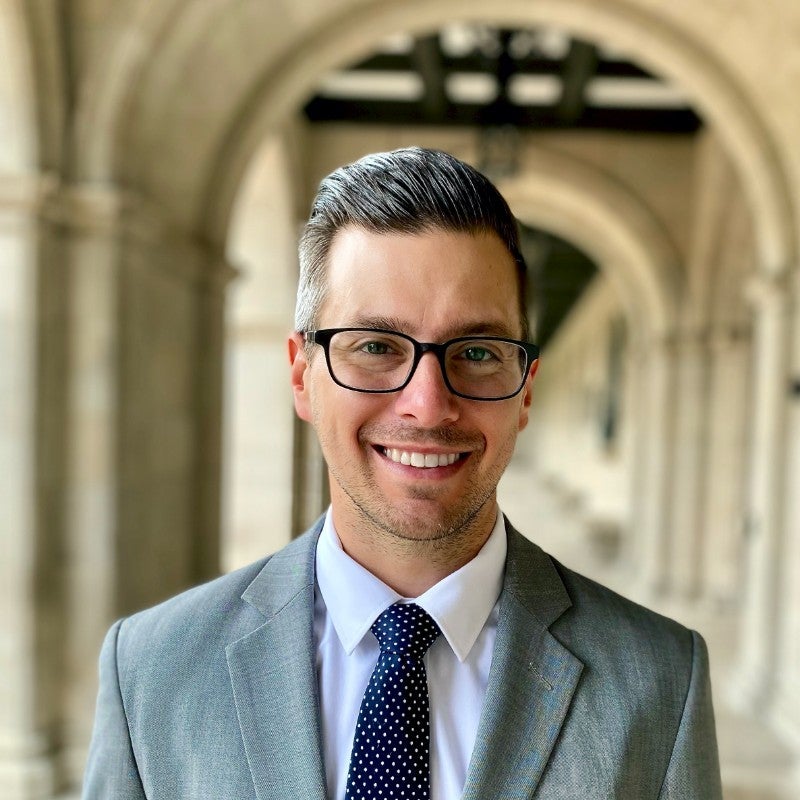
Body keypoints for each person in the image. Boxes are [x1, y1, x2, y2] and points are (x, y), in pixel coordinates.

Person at [83, 147, 722, 799]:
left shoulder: (661, 681)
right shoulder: (151, 669)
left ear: (526, 391)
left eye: (476, 352)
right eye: (376, 347)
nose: (427, 404)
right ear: (303, 375)